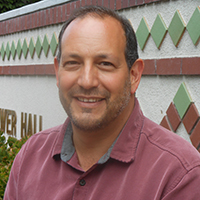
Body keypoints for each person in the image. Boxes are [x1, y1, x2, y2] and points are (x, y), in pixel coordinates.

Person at [4, 5, 200, 200]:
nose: (87, 81)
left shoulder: (179, 175)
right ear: (57, 72)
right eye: (73, 63)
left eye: (105, 64)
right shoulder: (30, 157)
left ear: (134, 75)